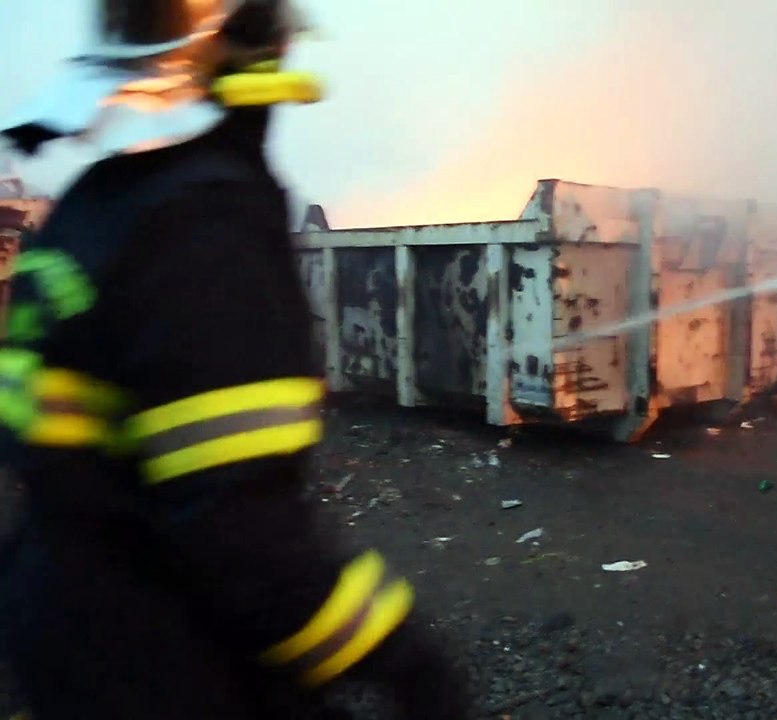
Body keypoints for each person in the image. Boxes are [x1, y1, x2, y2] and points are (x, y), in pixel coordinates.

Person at [0, 2, 471, 717]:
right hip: (163, 658)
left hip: (64, 627)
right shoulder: (207, 222)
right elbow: (238, 528)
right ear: (248, 52)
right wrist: (399, 655)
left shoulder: (91, 207)